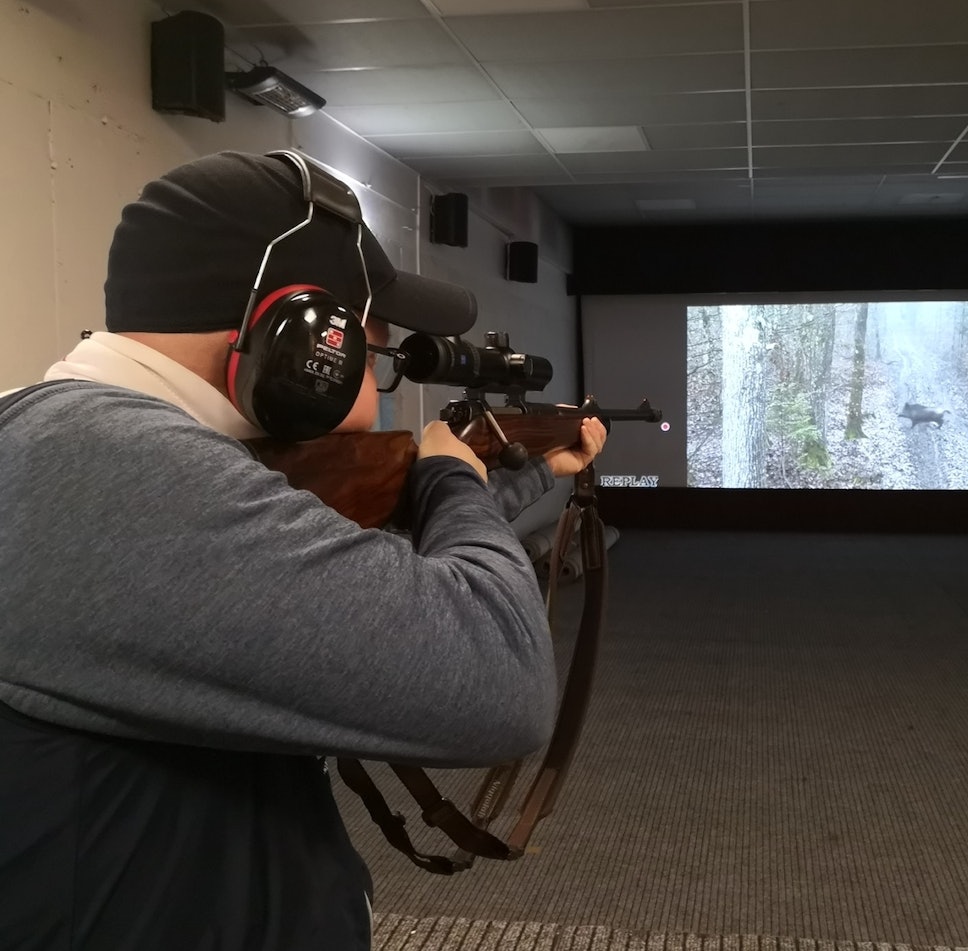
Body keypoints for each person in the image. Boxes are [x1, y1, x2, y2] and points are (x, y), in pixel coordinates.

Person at [0, 150, 605, 950]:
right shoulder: (107, 468)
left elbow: (337, 568)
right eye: (374, 349)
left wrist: (497, 479)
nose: (376, 373)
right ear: (302, 336)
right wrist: (453, 482)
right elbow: (499, 678)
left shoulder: (78, 445)